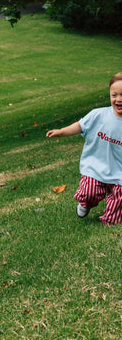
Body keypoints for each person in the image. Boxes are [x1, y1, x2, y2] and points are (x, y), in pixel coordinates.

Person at [46, 72, 122, 225]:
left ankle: (108, 220)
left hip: (119, 172)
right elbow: (80, 126)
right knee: (89, 193)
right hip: (95, 168)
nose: (119, 99)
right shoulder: (98, 115)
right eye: (114, 95)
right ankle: (85, 204)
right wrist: (61, 131)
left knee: (119, 201)